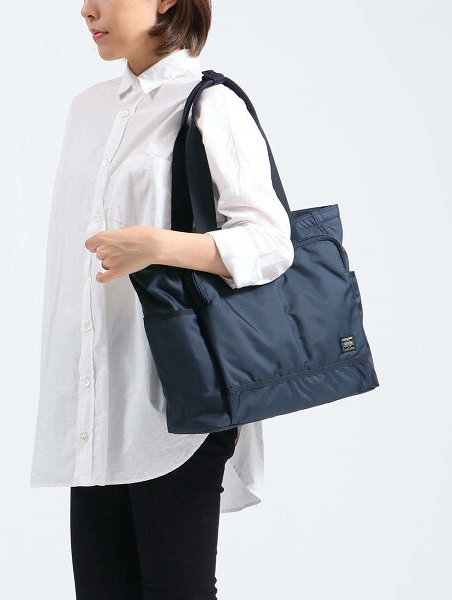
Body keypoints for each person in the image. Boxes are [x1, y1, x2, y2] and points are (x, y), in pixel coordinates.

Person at [30, 1, 294, 598]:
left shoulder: (209, 103)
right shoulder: (87, 109)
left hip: (177, 397)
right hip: (97, 400)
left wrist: (156, 244)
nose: (87, 9)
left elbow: (271, 242)